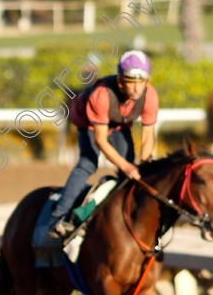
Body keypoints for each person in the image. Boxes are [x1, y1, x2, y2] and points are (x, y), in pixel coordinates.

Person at [49, 50, 158, 238]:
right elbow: (101, 140)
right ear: (121, 80)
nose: (137, 89)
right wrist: (126, 166)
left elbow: (148, 135)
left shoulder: (150, 96)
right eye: (131, 81)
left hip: (119, 122)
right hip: (88, 120)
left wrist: (144, 166)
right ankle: (59, 216)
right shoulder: (101, 95)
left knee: (131, 167)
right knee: (88, 163)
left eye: (142, 81)